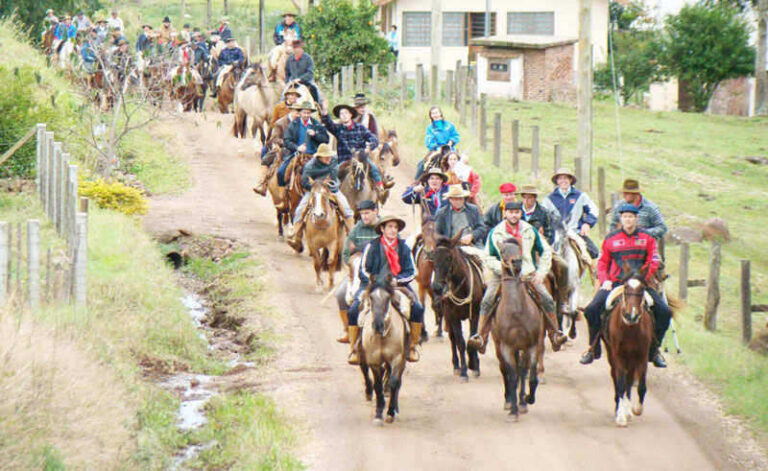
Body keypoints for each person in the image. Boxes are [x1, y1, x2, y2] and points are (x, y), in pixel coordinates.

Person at [579, 204, 671, 368]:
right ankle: (593, 348)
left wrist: (644, 277)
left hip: (640, 284)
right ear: (621, 219)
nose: (628, 220)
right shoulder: (611, 239)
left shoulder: (647, 237)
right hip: (616, 282)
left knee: (664, 312)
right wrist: (604, 279)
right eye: (625, 217)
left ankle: (654, 350)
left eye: (631, 217)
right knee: (591, 310)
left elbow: (654, 260)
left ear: (636, 219)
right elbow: (602, 263)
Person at [467, 202, 567, 353]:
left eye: (517, 212)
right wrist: (501, 268)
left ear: (521, 214)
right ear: (505, 213)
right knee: (487, 299)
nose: (514, 215)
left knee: (546, 298)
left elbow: (545, 251)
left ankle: (555, 333)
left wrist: (541, 272)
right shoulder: (496, 232)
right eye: (511, 212)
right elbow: (488, 256)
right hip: (502, 275)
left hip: (527, 273)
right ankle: (481, 336)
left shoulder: (530, 230)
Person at [346, 216, 425, 364]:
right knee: (353, 310)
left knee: (418, 309)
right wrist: (375, 280)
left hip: (398, 286)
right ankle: (354, 348)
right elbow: (363, 269)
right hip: (373, 285)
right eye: (389, 227)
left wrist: (397, 280)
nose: (393, 230)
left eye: (395, 227)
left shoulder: (404, 248)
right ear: (382, 229)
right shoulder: (372, 246)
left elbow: (412, 271)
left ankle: (412, 346)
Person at [286, 143, 355, 252]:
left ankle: (352, 235)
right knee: (300, 208)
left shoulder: (333, 161)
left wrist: (329, 185)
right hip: (315, 191)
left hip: (331, 189)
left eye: (329, 156)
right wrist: (316, 186)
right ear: (319, 157)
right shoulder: (310, 167)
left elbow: (333, 176)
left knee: (346, 209)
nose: (328, 158)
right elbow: (304, 182)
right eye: (325, 156)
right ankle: (295, 234)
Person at [334, 200, 381, 343]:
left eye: (367, 213)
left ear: (376, 211)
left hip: (382, 273)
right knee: (341, 294)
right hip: (358, 273)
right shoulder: (356, 229)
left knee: (407, 302)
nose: (364, 217)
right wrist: (353, 262)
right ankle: (348, 330)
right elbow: (346, 254)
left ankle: (408, 338)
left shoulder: (385, 226)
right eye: (362, 214)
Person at [320, 103, 388, 195]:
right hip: (344, 159)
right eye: (341, 114)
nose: (344, 116)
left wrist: (368, 148)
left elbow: (374, 139)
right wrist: (324, 113)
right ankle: (331, 194)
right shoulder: (338, 129)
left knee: (374, 169)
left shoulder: (360, 128)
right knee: (333, 173)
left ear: (351, 115)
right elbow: (328, 124)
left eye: (346, 113)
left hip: (360, 158)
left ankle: (380, 188)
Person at [541, 167, 600, 259]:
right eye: (560, 178)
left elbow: (593, 210)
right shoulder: (549, 199)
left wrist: (587, 223)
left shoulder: (581, 196)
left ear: (570, 180)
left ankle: (594, 272)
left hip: (575, 232)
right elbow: (542, 216)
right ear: (557, 181)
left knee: (594, 252)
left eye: (566, 178)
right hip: (555, 234)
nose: (563, 181)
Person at [277, 101, 329, 187]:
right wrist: (297, 147)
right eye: (304, 112)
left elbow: (326, 139)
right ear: (300, 113)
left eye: (308, 113)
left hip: (314, 155)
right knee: (280, 172)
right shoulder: (293, 124)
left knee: (329, 174)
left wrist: (315, 135)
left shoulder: (316, 124)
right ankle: (284, 193)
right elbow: (286, 141)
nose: (306, 115)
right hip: (296, 155)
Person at [253, 104, 300, 196]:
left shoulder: (301, 123)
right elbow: (275, 138)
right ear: (291, 111)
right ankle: (262, 182)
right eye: (296, 112)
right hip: (284, 148)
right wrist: (287, 143)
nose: (298, 114)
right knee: (266, 160)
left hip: (300, 149)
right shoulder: (280, 123)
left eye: (299, 112)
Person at [285, 39, 321, 104]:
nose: (296, 50)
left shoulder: (308, 58)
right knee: (283, 94)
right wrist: (288, 81)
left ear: (301, 48)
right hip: (293, 83)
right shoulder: (289, 59)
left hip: (306, 81)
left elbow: (310, 73)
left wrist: (300, 79)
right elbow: (287, 73)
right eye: (295, 48)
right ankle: (282, 107)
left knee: (316, 91)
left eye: (298, 48)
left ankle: (319, 107)